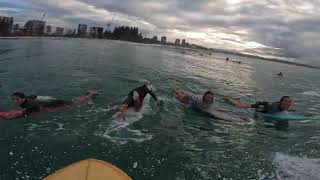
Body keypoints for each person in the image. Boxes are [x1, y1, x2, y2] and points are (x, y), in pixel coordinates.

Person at [11, 90, 98, 117]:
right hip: (51, 102)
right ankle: (88, 94)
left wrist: (22, 113)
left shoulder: (28, 104)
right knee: (74, 101)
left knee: (76, 103)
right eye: (13, 99)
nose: (15, 101)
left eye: (17, 99)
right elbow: (33, 96)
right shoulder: (27, 99)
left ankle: (91, 94)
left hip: (55, 104)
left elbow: (33, 107)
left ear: (23, 98)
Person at [225, 96, 293, 114]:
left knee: (240, 104)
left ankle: (231, 99)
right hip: (258, 107)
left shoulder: (285, 107)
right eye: (286, 101)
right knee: (239, 106)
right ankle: (228, 98)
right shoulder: (274, 108)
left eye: (289, 102)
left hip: (262, 106)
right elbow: (266, 104)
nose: (288, 103)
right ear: (281, 102)